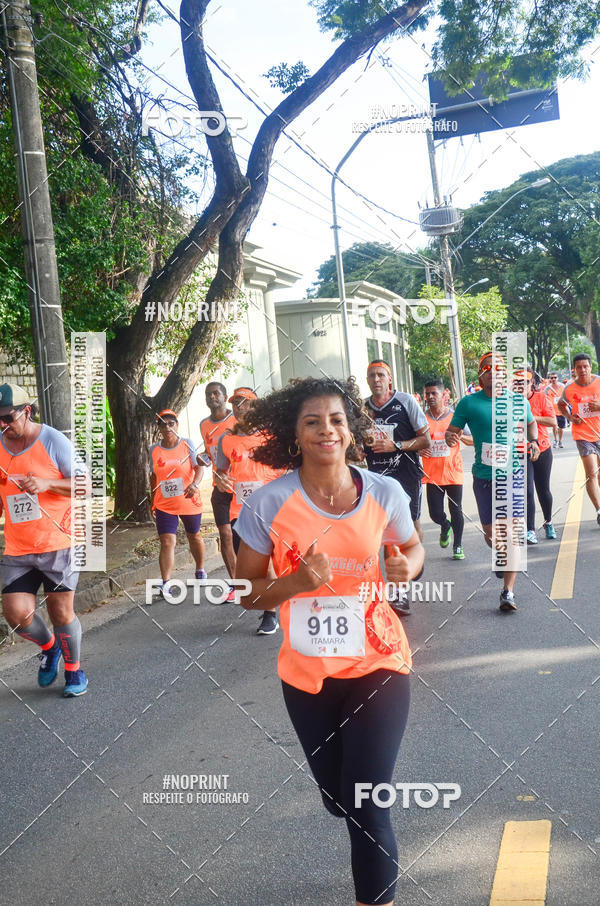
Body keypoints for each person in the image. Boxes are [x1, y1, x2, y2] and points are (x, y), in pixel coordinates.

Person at [234, 377, 424, 906]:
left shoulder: (384, 492)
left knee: (368, 802)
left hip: (379, 659)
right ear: (294, 434)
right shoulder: (269, 502)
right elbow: (247, 593)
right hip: (308, 674)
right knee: (340, 799)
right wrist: (292, 584)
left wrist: (404, 567)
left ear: (352, 428)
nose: (327, 430)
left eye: (337, 419)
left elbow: (411, 550)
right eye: (312, 421)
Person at [0, 384, 88, 696]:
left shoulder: (52, 440)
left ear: (27, 410)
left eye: (7, 417)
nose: (2, 424)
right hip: (18, 547)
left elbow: (85, 486)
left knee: (60, 612)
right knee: (16, 612)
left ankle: (74, 672)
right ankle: (49, 647)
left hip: (58, 542)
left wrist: (46, 483)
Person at [446, 354, 539, 613]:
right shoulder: (468, 403)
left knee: (513, 535)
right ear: (481, 376)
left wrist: (532, 442)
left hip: (513, 474)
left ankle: (508, 591)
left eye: (498, 369)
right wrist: (450, 436)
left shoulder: (518, 400)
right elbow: (452, 430)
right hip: (484, 477)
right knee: (493, 534)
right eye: (487, 369)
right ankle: (501, 554)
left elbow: (531, 425)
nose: (493, 373)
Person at [363, 360, 430, 616]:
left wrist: (397, 446)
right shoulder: (362, 408)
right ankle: (398, 591)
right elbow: (359, 443)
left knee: (410, 528)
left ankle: (414, 557)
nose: (376, 379)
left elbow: (425, 439)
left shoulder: (405, 402)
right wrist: (358, 449)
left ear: (390, 379)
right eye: (372, 375)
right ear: (367, 380)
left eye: (381, 375)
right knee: (385, 533)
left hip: (407, 474)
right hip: (377, 478)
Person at [215, 388, 282, 634]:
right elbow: (221, 471)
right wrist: (221, 480)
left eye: (243, 404)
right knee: (247, 562)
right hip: (239, 511)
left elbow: (285, 469)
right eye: (235, 404)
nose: (238, 408)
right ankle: (274, 597)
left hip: (268, 509)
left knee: (266, 562)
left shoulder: (270, 437)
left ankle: (270, 614)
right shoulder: (226, 440)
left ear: (255, 407)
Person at [149, 410, 206, 595]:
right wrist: (152, 499)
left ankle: (200, 569)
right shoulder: (153, 449)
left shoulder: (187, 444)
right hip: (165, 503)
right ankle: (166, 582)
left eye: (170, 423)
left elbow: (199, 468)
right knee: (167, 542)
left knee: (194, 536)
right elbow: (153, 476)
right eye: (162, 424)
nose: (167, 427)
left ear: (177, 425)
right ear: (158, 428)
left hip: (188, 499)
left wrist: (194, 485)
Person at [421, 378, 473, 561]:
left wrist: (460, 438)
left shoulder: (454, 417)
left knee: (456, 509)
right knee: (435, 513)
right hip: (431, 474)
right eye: (427, 394)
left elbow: (473, 439)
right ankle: (444, 525)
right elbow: (415, 442)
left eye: (434, 393)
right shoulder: (421, 418)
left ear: (444, 395)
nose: (430, 397)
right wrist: (418, 448)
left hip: (453, 471)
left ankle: (458, 545)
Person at [200, 382, 237, 600]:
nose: (212, 397)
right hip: (219, 487)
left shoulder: (236, 420)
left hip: (241, 486)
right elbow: (209, 452)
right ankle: (235, 584)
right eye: (208, 394)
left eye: (216, 393)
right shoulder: (204, 424)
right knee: (225, 535)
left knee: (245, 537)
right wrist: (202, 458)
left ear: (224, 396)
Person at [558, 353, 600, 526]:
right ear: (574, 370)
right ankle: (599, 510)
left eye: (585, 366)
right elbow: (561, 404)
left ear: (591, 367)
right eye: (579, 367)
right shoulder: (569, 388)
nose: (582, 370)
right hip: (583, 435)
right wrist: (570, 417)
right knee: (591, 474)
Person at [517, 371, 557, 542]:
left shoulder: (540, 397)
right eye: (517, 382)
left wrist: (530, 418)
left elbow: (552, 421)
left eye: (524, 381)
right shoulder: (508, 401)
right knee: (527, 491)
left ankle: (548, 522)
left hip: (542, 448)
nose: (521, 385)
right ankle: (530, 530)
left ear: (531, 382)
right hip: (520, 450)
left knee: (543, 489)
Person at [545, 373, 567, 447]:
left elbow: (566, 396)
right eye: (552, 378)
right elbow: (545, 398)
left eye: (555, 377)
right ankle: (555, 440)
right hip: (552, 411)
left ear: (557, 378)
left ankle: (560, 441)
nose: (553, 379)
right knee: (554, 426)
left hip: (561, 410)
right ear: (550, 379)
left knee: (561, 428)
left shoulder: (562, 386)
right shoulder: (547, 388)